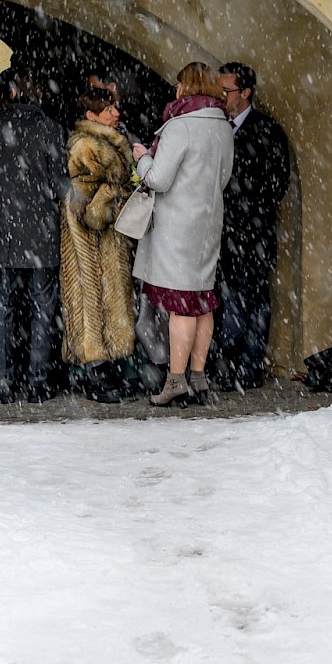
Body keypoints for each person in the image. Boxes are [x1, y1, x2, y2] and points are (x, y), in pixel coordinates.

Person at [132, 62, 234, 407]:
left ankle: (175, 381)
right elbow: (224, 176)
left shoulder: (179, 126)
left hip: (178, 228)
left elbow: (158, 179)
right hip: (208, 223)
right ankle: (199, 377)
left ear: (185, 87)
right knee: (202, 301)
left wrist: (143, 158)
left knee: (181, 307)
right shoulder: (223, 125)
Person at [0, 66, 68, 403]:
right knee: (42, 310)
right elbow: (59, 183)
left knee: (2, 308)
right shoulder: (51, 129)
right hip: (41, 234)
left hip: (3, 232)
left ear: (10, 93)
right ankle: (38, 382)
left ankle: (3, 382)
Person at [213, 62, 290, 390]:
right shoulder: (219, 128)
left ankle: (247, 366)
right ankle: (232, 365)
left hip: (253, 232)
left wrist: (246, 212)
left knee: (252, 298)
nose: (222, 97)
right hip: (225, 233)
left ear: (245, 93)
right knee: (231, 297)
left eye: (226, 91)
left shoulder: (266, 130)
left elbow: (277, 182)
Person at [60, 88, 136, 404]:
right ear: (92, 116)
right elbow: (88, 210)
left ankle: (106, 368)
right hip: (87, 246)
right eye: (108, 109)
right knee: (89, 304)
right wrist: (116, 195)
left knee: (109, 303)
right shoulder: (86, 147)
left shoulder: (111, 146)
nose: (115, 113)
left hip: (107, 245)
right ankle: (96, 370)